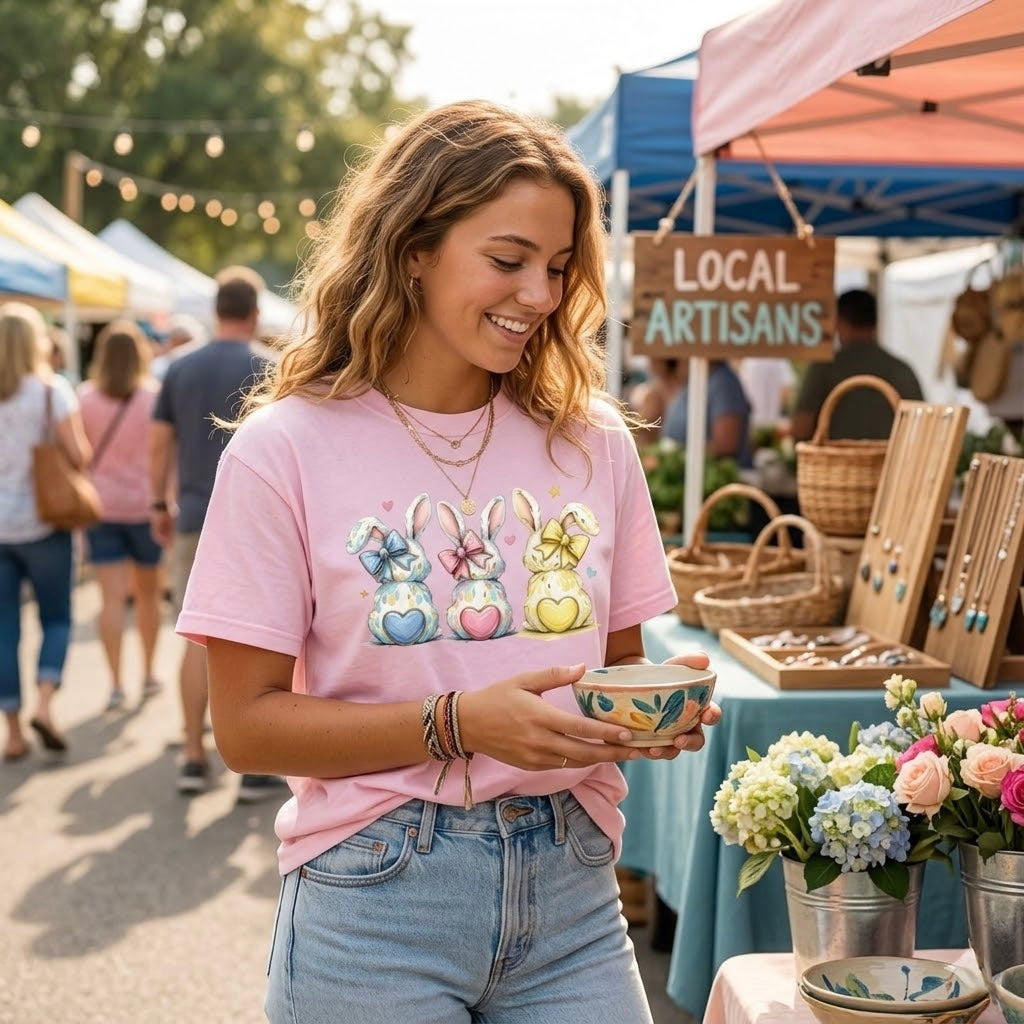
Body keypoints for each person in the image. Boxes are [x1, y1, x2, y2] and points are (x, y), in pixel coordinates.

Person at [175, 100, 721, 1023]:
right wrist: (457, 722)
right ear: (412, 248)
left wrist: (650, 713)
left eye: (556, 268)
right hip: (373, 899)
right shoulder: (284, 449)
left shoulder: (593, 442)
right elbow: (247, 728)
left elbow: (618, 665)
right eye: (507, 261)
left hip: (575, 890)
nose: (540, 296)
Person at [150, 267, 281, 802]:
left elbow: (159, 442)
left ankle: (190, 752)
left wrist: (159, 501)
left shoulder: (180, 368)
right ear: (253, 313)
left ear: (215, 312)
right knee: (267, 644)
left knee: (197, 641)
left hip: (195, 514)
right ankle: (257, 768)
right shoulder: (272, 366)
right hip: (262, 523)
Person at [0, 302, 91, 761]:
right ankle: (45, 705)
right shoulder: (52, 391)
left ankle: (12, 732)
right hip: (44, 521)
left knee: (3, 628)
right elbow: (79, 455)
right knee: (55, 617)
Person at [78, 320, 164, 711]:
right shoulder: (153, 398)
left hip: (101, 507)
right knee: (147, 598)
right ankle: (147, 674)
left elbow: (78, 456)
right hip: (145, 508)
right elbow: (163, 456)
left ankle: (114, 683)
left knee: (110, 600)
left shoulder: (85, 398)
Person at [791, 288, 924, 442]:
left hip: (837, 464)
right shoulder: (902, 369)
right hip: (894, 464)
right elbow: (921, 429)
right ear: (875, 322)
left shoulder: (825, 367)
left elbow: (801, 427)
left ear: (840, 322)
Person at [662, 359, 754, 467]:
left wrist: (679, 456)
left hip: (717, 476)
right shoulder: (692, 379)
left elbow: (726, 444)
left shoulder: (723, 382)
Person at [627, 355, 687, 449]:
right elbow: (642, 428)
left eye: (654, 359)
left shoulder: (684, 389)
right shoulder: (651, 392)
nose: (650, 363)